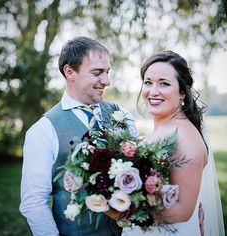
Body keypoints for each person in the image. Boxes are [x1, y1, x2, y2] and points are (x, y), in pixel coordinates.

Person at [20, 36, 137, 236]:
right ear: (69, 72)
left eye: (107, 72)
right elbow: (34, 202)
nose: (106, 81)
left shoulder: (122, 116)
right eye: (97, 72)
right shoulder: (43, 130)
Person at [123, 51, 225, 236]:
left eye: (164, 83)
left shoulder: (185, 138)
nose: (153, 91)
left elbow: (183, 211)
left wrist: (119, 209)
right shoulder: (166, 128)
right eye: (148, 82)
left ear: (182, 92)